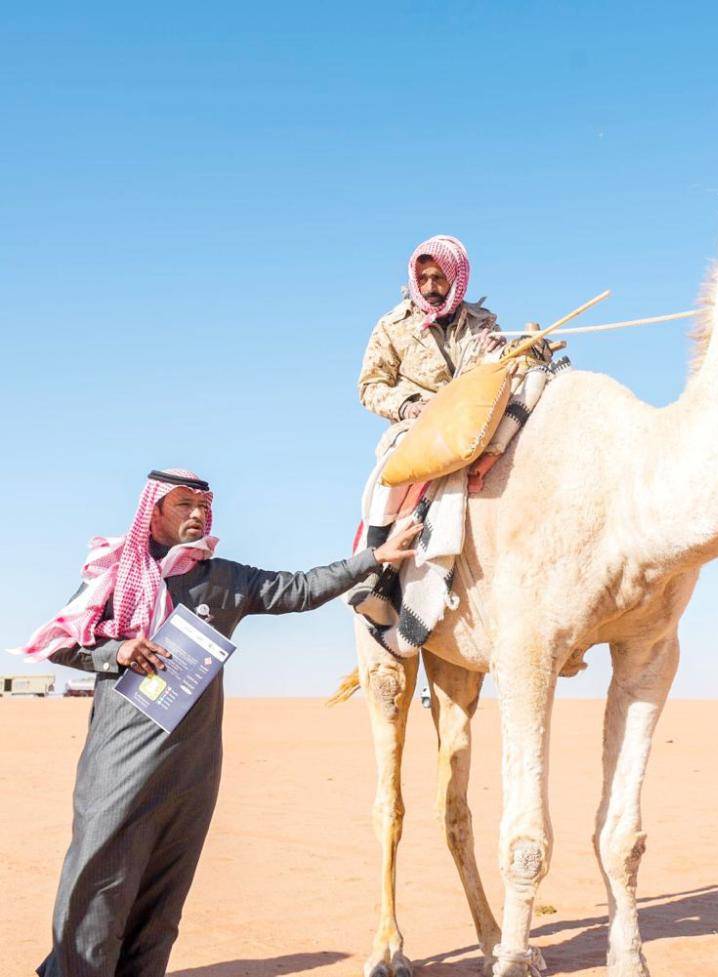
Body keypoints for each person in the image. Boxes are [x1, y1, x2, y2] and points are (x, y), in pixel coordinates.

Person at [11, 468, 421, 977]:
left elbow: (298, 589)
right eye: (183, 505)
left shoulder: (224, 578)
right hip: (120, 757)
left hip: (193, 763)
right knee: (101, 874)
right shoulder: (114, 574)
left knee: (165, 884)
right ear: (154, 510)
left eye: (203, 505)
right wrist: (118, 650)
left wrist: (373, 558)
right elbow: (62, 643)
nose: (198, 514)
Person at [357, 234, 506, 425]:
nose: (429, 287)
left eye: (438, 277)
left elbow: (500, 372)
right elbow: (370, 386)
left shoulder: (482, 323)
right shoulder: (392, 327)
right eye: (422, 278)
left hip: (474, 418)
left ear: (455, 279)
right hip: (416, 427)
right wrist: (406, 407)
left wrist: (497, 352)